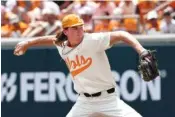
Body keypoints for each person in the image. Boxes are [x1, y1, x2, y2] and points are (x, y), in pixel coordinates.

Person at [14, 14, 147, 117]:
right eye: (75, 28)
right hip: (84, 101)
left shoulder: (92, 40)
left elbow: (121, 34)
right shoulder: (63, 45)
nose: (79, 31)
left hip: (108, 99)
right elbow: (51, 39)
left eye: (81, 27)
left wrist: (142, 51)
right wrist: (28, 42)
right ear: (66, 32)